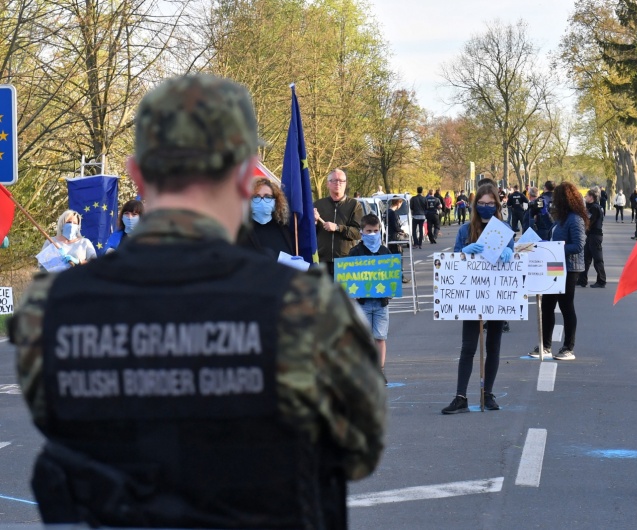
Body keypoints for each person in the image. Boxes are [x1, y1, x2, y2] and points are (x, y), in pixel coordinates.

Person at [11, 73, 385, 529]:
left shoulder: (51, 311)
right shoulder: (311, 307)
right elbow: (360, 449)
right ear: (245, 175)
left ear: (137, 174)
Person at [441, 183, 514, 414]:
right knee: (468, 347)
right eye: (481, 204)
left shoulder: (503, 228)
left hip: (496, 294)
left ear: (497, 204)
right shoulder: (465, 230)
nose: (485, 207)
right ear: (475, 205)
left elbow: (513, 260)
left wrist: (510, 253)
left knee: (493, 346)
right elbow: (452, 260)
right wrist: (464, 252)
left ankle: (487, 393)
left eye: (490, 204)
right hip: (472, 294)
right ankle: (460, 396)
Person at [529, 181, 587, 361]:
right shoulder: (562, 218)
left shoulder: (575, 219)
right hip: (554, 266)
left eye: (556, 200)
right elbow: (552, 234)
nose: (553, 202)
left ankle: (568, 347)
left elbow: (578, 245)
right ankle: (545, 345)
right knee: (547, 306)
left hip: (569, 268)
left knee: (566, 306)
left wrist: (555, 249)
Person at [349, 213, 393, 385]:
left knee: (380, 338)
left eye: (376, 231)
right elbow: (349, 278)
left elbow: (393, 276)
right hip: (362, 304)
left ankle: (380, 370)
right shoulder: (355, 252)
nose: (373, 234)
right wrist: (352, 292)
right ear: (361, 232)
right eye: (369, 231)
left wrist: (390, 289)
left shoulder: (385, 252)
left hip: (382, 303)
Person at [314, 168, 364, 276]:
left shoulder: (354, 205)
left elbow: (358, 233)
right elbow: (309, 234)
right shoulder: (318, 205)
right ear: (328, 184)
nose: (338, 183)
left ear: (345, 184)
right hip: (322, 261)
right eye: (334, 180)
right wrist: (312, 223)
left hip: (345, 261)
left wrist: (337, 228)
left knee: (344, 293)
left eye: (341, 181)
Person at [237, 177, 294, 259]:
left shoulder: (284, 229)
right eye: (256, 196)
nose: (262, 200)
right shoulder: (239, 231)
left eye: (267, 197)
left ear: (275, 201)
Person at [577, 188, 606, 288]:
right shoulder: (592, 207)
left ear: (592, 197)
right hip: (590, 235)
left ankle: (601, 280)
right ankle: (582, 280)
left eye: (587, 196)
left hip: (595, 235)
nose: (585, 198)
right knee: (586, 258)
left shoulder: (594, 208)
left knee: (597, 259)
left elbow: (589, 221)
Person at [387, 197, 410, 283]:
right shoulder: (393, 213)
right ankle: (400, 276)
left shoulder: (387, 212)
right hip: (395, 237)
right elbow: (395, 226)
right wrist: (402, 231)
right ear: (398, 203)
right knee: (399, 257)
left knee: (392, 257)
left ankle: (393, 276)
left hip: (389, 236)